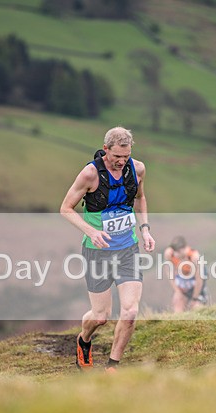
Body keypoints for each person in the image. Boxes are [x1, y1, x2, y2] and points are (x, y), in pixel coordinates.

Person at [60, 126, 155, 373]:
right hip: (97, 251)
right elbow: (66, 208)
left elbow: (140, 198)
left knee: (131, 311)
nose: (121, 162)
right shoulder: (90, 174)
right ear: (105, 151)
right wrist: (90, 231)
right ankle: (84, 340)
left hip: (127, 249)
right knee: (101, 316)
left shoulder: (138, 169)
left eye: (126, 157)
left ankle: (112, 367)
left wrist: (145, 229)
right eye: (116, 157)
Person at [163, 236, 207, 313]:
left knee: (197, 308)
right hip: (182, 283)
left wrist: (194, 298)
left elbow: (199, 279)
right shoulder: (169, 254)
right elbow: (169, 272)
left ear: (184, 248)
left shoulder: (194, 257)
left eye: (178, 252)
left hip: (195, 285)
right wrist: (177, 291)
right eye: (174, 251)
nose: (176, 254)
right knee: (177, 301)